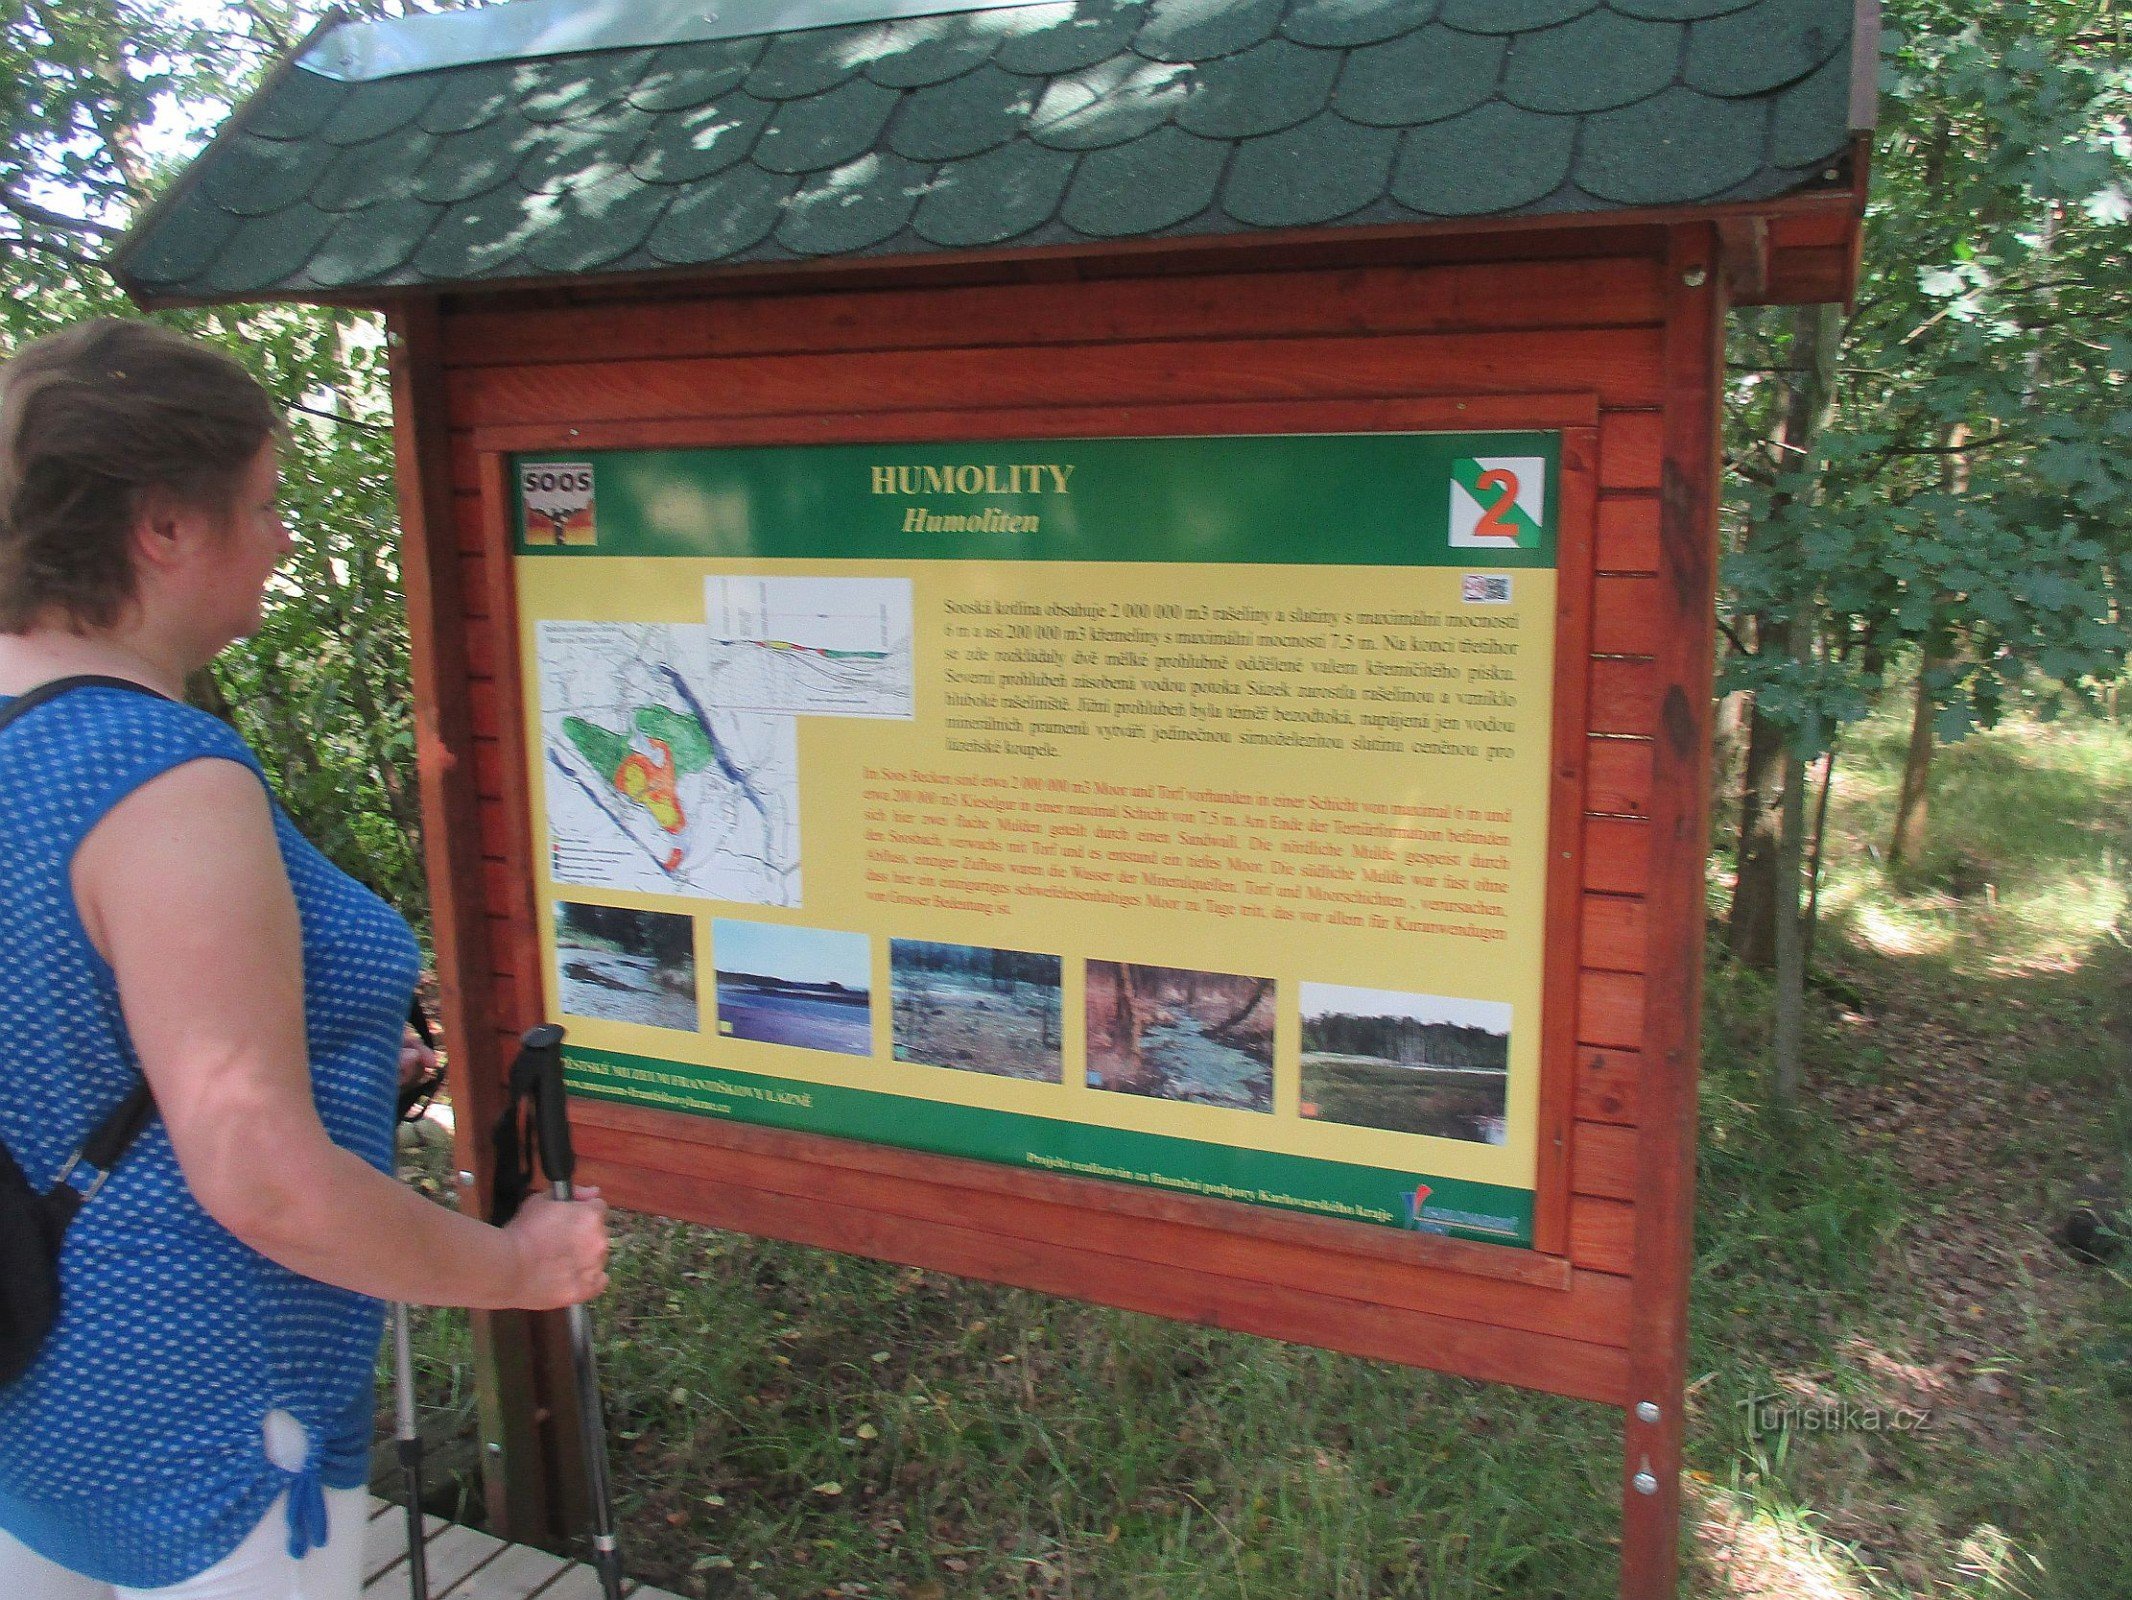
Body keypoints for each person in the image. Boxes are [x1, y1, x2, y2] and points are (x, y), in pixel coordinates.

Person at [0, 318, 611, 1600]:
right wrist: (514, 1266)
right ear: (162, 525)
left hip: (32, 1386)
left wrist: (325, 1040)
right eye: (266, 505)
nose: (284, 538)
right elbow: (261, 1178)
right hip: (211, 1411)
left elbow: (66, 1015)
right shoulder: (159, 772)